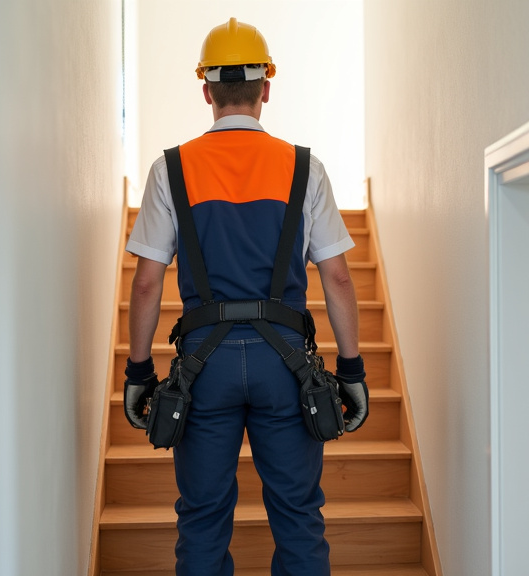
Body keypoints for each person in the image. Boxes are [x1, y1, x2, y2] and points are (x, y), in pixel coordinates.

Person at [121, 17, 369, 576]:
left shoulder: (172, 169)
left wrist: (139, 373)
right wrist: (350, 368)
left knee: (202, 519)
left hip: (202, 366)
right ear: (267, 88)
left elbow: (145, 282)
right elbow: (339, 279)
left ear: (206, 89)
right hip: (285, 365)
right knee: (299, 515)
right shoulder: (305, 168)